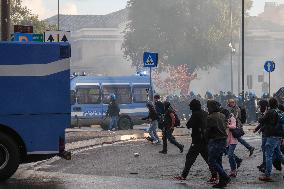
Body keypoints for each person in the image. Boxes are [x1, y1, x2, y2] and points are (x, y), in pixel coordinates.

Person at [174, 99, 218, 183]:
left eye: (191, 106)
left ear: (193, 106)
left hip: (197, 140)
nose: (190, 108)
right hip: (205, 139)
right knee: (208, 159)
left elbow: (189, 124)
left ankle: (183, 175)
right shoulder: (205, 113)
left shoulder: (195, 114)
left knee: (190, 158)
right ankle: (214, 175)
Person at [259, 98, 284, 182]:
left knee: (268, 155)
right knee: (279, 154)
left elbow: (261, 120)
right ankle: (267, 173)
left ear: (269, 104)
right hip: (278, 135)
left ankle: (267, 175)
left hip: (271, 136)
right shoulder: (279, 111)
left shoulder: (270, 112)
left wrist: (264, 113)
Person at [207, 100, 231, 188]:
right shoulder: (222, 115)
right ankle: (222, 182)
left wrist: (206, 139)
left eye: (208, 107)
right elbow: (225, 126)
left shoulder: (210, 117)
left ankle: (225, 177)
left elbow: (208, 130)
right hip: (223, 140)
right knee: (218, 161)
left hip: (215, 140)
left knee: (212, 161)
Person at [222, 109, 239, 177]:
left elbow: (234, 126)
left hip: (233, 139)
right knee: (230, 155)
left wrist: (227, 125)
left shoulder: (232, 118)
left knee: (230, 155)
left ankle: (234, 170)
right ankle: (233, 170)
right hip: (227, 140)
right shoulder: (224, 119)